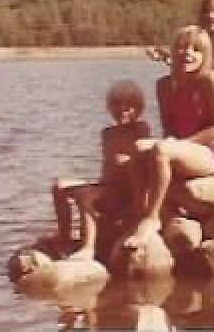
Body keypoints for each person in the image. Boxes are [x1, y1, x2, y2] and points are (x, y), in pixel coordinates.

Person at [123, 25, 214, 248]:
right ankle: (143, 210)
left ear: (205, 55)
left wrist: (180, 145)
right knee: (138, 147)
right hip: (179, 148)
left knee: (162, 150)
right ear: (172, 51)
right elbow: (168, 128)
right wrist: (173, 144)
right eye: (181, 47)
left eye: (196, 49)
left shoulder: (209, 80)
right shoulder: (163, 85)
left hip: (208, 151)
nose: (187, 53)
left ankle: (151, 220)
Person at [50, 80, 150, 259]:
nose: (122, 110)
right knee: (59, 185)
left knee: (85, 196)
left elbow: (144, 161)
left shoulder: (140, 129)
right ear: (109, 107)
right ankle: (65, 236)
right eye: (117, 104)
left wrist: (128, 160)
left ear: (139, 108)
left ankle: (88, 247)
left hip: (125, 192)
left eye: (129, 106)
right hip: (106, 185)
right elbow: (107, 167)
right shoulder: (107, 133)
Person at [147, 0, 214, 167]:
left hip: (211, 101)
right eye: (206, 11)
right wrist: (167, 58)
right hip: (202, 96)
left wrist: (206, 97)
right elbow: (192, 67)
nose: (210, 16)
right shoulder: (204, 39)